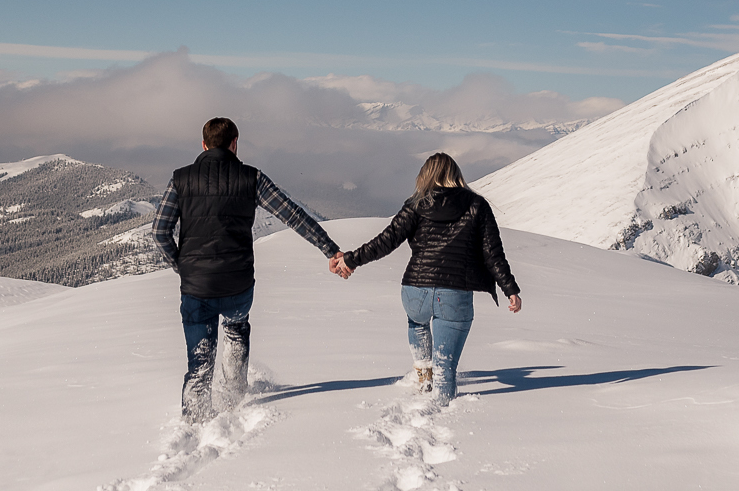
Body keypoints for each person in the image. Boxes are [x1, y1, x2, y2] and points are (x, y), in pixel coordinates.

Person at [153, 116, 346, 422]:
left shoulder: (181, 179)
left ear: (203, 145)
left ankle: (194, 421)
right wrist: (330, 249)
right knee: (235, 331)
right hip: (238, 284)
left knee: (199, 362)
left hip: (196, 288)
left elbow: (159, 232)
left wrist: (182, 268)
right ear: (234, 144)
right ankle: (233, 401)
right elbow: (293, 215)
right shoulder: (251, 178)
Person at [328, 152, 521, 402]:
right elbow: (493, 253)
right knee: (446, 370)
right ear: (455, 175)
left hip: (415, 290)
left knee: (417, 323)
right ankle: (441, 409)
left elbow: (386, 241)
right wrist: (510, 289)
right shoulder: (477, 205)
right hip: (455, 293)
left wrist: (350, 260)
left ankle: (422, 371)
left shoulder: (416, 204)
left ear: (425, 175)